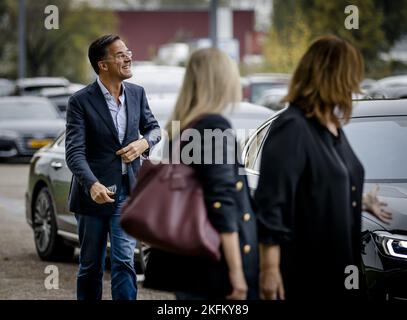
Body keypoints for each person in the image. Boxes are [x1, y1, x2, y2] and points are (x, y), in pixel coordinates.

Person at [255, 35, 368, 300]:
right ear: (332, 77)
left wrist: (360, 199)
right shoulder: (293, 127)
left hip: (341, 270)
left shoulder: (331, 127)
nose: (355, 85)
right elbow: (272, 205)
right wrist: (269, 270)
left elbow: (325, 183)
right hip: (307, 274)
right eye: (350, 75)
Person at [143, 48, 259, 300]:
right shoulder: (213, 126)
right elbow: (222, 202)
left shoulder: (183, 126)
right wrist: (237, 273)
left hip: (190, 261)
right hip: (216, 267)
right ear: (221, 80)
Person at [65, 34, 161, 300]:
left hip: (128, 194)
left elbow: (154, 129)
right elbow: (74, 152)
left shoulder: (137, 93)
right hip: (93, 196)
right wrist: (92, 184)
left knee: (124, 262)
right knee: (91, 266)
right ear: (102, 64)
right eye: (120, 54)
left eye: (127, 51)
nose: (128, 57)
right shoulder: (80, 101)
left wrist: (144, 143)